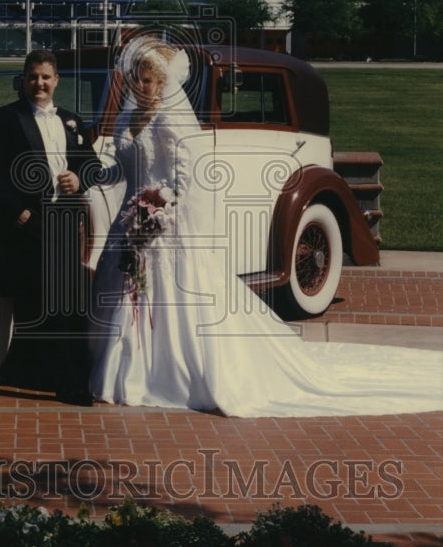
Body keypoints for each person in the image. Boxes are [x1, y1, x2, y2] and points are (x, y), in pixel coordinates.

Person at [89, 36, 443, 417]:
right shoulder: (127, 117)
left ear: (161, 82)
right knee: (129, 293)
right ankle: (129, 371)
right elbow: (123, 168)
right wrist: (90, 177)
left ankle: (164, 373)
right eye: (135, 80)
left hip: (163, 223)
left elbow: (187, 173)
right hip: (133, 221)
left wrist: (163, 210)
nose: (140, 86)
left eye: (147, 80)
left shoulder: (170, 117)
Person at [0, 50, 102, 404]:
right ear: (23, 79)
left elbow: (92, 165)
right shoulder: (5, 118)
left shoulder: (71, 121)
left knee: (71, 300)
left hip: (66, 220)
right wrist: (16, 211)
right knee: (41, 300)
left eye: (45, 77)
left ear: (56, 80)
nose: (39, 83)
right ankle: (60, 381)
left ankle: (73, 377)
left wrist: (79, 178)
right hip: (30, 223)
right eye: (32, 77)